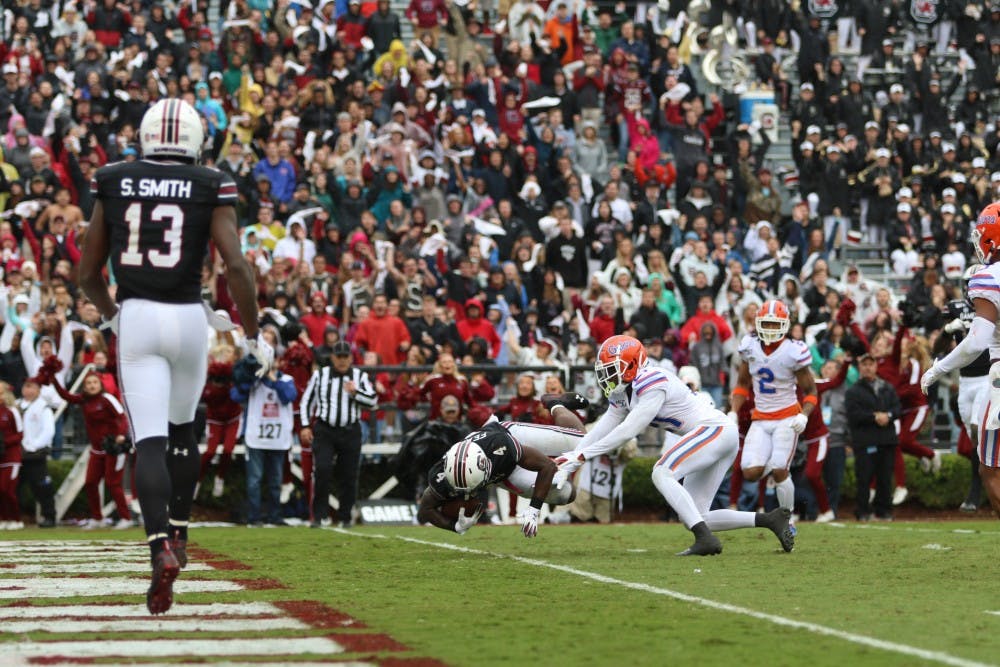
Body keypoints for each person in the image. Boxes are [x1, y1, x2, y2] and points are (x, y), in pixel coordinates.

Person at [78, 99, 272, 615]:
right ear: (195, 139)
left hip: (140, 313)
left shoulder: (114, 177)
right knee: (185, 431)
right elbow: (237, 267)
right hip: (190, 318)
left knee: (150, 442)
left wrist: (111, 314)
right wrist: (252, 333)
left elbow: (86, 273)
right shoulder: (212, 182)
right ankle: (182, 532)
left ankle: (159, 544)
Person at [555, 335, 794, 555]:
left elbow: (629, 431)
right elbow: (603, 427)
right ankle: (770, 520)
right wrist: (573, 456)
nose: (607, 376)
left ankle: (705, 540)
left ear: (632, 364)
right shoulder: (622, 391)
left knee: (661, 472)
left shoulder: (651, 379)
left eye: (613, 369)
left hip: (714, 429)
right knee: (695, 513)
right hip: (716, 435)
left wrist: (582, 456)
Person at [922, 202, 1000, 519]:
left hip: (997, 380)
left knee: (990, 470)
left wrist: (938, 368)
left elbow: (976, 342)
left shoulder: (989, 277)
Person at [416, 399, 587, 538]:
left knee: (583, 442)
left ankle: (556, 403)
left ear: (484, 467)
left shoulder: (501, 446)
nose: (470, 493)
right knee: (566, 494)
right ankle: (560, 469)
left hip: (511, 438)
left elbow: (546, 466)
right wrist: (453, 526)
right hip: (503, 473)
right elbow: (425, 510)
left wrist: (534, 510)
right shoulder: (443, 473)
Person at [729, 301, 818, 524]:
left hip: (787, 418)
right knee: (749, 472)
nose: (770, 328)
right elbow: (742, 383)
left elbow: (810, 390)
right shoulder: (749, 345)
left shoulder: (793, 350)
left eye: (774, 324)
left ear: (785, 325)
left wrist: (804, 415)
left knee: (779, 470)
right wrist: (733, 411)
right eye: (766, 323)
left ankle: (787, 522)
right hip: (760, 419)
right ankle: (773, 459)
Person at [300, 340, 377, 528]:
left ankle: (345, 517)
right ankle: (319, 516)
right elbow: (306, 401)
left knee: (349, 475)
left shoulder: (359, 376)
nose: (342, 360)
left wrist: (355, 392)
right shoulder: (320, 375)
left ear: (351, 358)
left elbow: (373, 401)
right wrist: (305, 426)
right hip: (325, 429)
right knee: (323, 470)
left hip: (350, 430)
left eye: (345, 357)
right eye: (339, 357)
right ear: (333, 358)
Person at [231, 357, 297, 527]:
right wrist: (251, 379)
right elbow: (235, 395)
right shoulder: (254, 382)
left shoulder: (287, 379)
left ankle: (275, 516)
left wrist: (273, 380)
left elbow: (289, 396)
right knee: (255, 480)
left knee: (276, 480)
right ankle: (254, 517)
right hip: (256, 438)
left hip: (278, 438)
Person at [847, 353, 902, 521]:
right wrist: (874, 417)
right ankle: (863, 511)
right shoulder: (853, 391)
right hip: (865, 442)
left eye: (871, 364)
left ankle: (884, 510)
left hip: (886, 440)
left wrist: (889, 416)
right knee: (864, 478)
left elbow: (898, 409)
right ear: (859, 368)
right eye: (864, 365)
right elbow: (853, 415)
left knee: (885, 478)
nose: (868, 367)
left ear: (876, 366)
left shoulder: (887, 387)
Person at [17, 376, 56, 527]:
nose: (28, 390)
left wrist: (33, 445)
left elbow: (48, 431)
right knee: (13, 487)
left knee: (42, 487)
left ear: (39, 389)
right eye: (26, 386)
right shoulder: (17, 404)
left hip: (36, 453)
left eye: (32, 386)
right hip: (18, 453)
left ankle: (49, 517)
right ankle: (13, 517)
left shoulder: (43, 407)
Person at [0, 382, 23, 530]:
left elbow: (20, 434)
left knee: (7, 490)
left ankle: (16, 519)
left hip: (12, 458)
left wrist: (3, 442)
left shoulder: (12, 411)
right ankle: (4, 519)